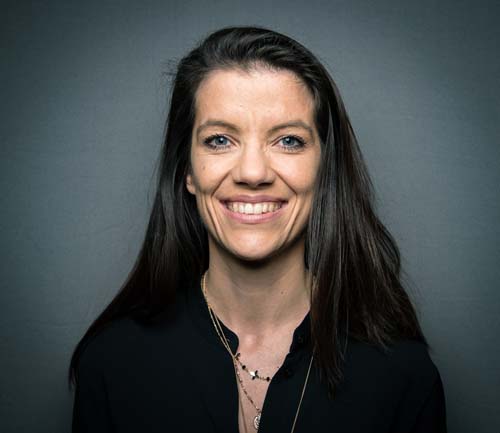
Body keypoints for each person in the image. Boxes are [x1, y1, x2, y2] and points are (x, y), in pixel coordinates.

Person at [69, 26, 447, 433]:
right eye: (219, 140)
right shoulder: (113, 364)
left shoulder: (401, 375)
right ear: (187, 171)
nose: (253, 173)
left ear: (324, 169)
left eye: (288, 140)